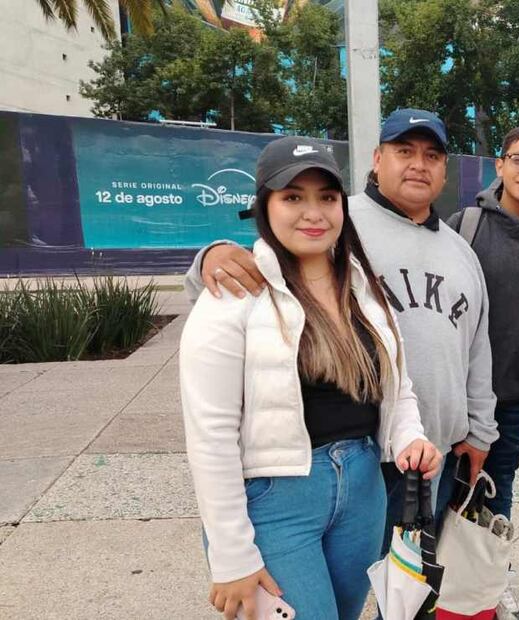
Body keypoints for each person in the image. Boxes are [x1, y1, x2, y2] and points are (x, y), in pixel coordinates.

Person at [182, 109, 498, 554]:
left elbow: (477, 346)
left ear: (445, 168)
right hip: (362, 452)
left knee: (409, 589)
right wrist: (211, 256)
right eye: (403, 150)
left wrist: (478, 429)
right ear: (377, 158)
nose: (418, 164)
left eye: (432, 155)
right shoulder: (339, 226)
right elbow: (260, 269)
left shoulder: (460, 250)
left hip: (432, 454)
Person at [179, 137, 442, 620]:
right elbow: (209, 433)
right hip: (276, 502)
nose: (313, 212)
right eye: (293, 197)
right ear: (265, 206)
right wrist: (231, 552)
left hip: (363, 489)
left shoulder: (364, 288)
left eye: (326, 197)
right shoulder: (234, 292)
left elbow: (396, 387)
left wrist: (410, 436)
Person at [445, 124, 519, 618]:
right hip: (451, 395)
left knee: (498, 493)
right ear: (500, 166)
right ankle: (430, 583)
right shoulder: (462, 225)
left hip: (512, 397)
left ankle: (491, 584)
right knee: (436, 493)